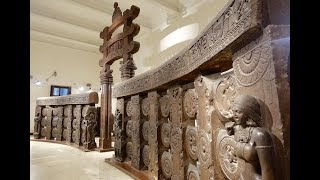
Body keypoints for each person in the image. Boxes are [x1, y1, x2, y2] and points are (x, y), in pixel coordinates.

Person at [226, 94, 275, 180]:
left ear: (248, 113)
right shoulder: (238, 130)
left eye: (239, 112)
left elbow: (267, 169)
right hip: (241, 177)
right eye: (234, 111)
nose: (235, 115)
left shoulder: (260, 134)